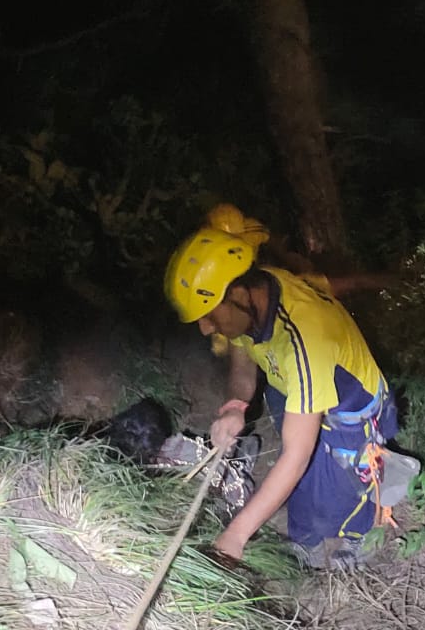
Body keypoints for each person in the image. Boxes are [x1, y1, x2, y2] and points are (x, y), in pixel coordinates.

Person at [164, 205, 399, 570]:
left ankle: (367, 526)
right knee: (304, 517)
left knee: (336, 504)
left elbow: (295, 453)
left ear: (238, 293)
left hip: (353, 407)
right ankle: (316, 515)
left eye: (210, 315)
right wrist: (234, 406)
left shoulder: (305, 336)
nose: (206, 329)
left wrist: (235, 536)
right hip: (296, 388)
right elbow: (243, 363)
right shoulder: (256, 298)